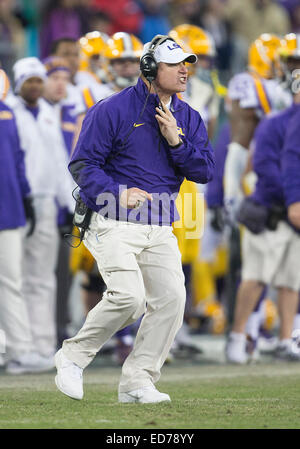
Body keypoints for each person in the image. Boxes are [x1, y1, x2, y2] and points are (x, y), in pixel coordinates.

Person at [54, 34, 215, 403]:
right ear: (149, 68)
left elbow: (204, 170)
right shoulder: (111, 109)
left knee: (173, 300)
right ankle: (73, 356)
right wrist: (118, 192)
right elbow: (82, 163)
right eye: (174, 65)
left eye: (185, 64)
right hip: (111, 217)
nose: (183, 71)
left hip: (160, 222)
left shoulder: (188, 117)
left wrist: (177, 141)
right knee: (129, 298)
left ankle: (137, 380)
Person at [225, 33, 300, 363]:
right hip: (269, 201)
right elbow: (261, 160)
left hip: (292, 205)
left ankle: (285, 337)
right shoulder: (272, 115)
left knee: (291, 279)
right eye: (291, 62)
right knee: (256, 274)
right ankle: (240, 335)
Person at [6, 57, 74, 360]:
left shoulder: (47, 113)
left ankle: (42, 344)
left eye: (38, 80)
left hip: (46, 202)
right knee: (12, 276)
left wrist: (68, 205)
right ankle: (13, 344)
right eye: (28, 81)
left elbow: (60, 163)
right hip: (16, 202)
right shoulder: (8, 113)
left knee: (42, 277)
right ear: (19, 83)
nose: (34, 86)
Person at [0, 68, 54, 374]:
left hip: (8, 208)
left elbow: (18, 158)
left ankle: (18, 351)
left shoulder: (7, 111)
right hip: (8, 206)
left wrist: (25, 197)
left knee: (11, 281)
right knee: (11, 282)